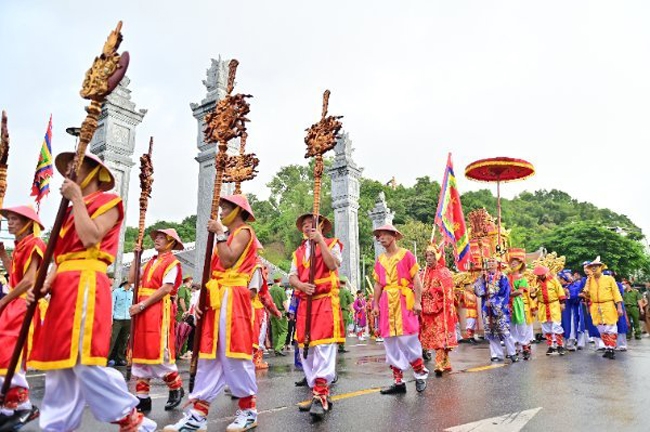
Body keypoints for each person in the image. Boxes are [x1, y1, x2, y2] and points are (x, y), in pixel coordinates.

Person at [28, 152, 156, 431]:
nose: (71, 170)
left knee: (83, 359)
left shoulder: (109, 202)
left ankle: (131, 419)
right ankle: (56, 426)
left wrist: (75, 198)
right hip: (63, 285)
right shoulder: (68, 211)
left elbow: (90, 237)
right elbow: (59, 256)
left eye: (78, 165)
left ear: (95, 173)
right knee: (59, 363)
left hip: (86, 282)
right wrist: (44, 284)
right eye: (70, 166)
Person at [165, 194, 259, 432]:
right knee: (208, 355)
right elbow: (214, 272)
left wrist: (219, 232)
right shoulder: (225, 236)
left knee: (234, 355)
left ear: (238, 211)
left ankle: (248, 411)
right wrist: (201, 300)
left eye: (225, 208)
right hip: (216, 297)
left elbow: (227, 261)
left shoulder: (244, 232)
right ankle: (198, 415)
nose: (221, 212)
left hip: (234, 298)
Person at [289, 213, 344, 419]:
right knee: (307, 350)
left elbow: (332, 265)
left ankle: (320, 395)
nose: (307, 228)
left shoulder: (332, 243)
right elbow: (292, 276)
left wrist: (320, 241)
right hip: (305, 302)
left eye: (311, 224)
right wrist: (301, 285)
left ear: (321, 226)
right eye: (304, 225)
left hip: (325, 301)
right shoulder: (298, 252)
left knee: (323, 347)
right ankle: (317, 392)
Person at [128, 228, 184, 413]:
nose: (157, 240)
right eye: (157, 237)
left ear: (171, 243)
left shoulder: (173, 263)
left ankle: (176, 388)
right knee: (141, 350)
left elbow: (166, 289)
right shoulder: (151, 261)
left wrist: (142, 305)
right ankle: (143, 398)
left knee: (158, 350)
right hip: (143, 310)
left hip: (158, 309)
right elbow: (132, 279)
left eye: (161, 238)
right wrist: (137, 256)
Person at [0, 205, 46, 430]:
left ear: (28, 223)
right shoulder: (21, 246)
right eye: (8, 219)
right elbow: (15, 275)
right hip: (13, 304)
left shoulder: (35, 243)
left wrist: (3, 301)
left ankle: (23, 405)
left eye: (14, 219)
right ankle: (11, 408)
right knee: (4, 353)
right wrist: (3, 255)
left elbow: (28, 281)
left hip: (21, 305)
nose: (9, 223)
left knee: (10, 353)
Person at [372, 224, 428, 394]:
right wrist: (375, 304)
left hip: (404, 300)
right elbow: (378, 284)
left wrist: (417, 301)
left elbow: (416, 280)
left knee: (408, 339)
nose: (381, 238)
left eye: (384, 235)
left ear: (393, 235)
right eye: (379, 236)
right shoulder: (380, 260)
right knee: (390, 342)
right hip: (386, 302)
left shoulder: (406, 255)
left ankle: (419, 374)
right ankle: (398, 381)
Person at [419, 243, 457, 375]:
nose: (429, 258)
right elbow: (418, 289)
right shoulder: (423, 274)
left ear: (437, 257)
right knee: (432, 337)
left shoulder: (444, 272)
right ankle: (445, 362)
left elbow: (448, 291)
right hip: (427, 310)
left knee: (441, 337)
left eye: (431, 255)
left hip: (441, 310)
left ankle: (439, 363)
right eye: (427, 255)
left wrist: (430, 291)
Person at [474, 257, 518, 363]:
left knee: (504, 331)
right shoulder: (483, 277)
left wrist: (493, 302)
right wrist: (481, 284)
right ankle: (496, 354)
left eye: (492, 261)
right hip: (486, 307)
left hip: (499, 308)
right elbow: (477, 290)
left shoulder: (503, 277)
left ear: (497, 264)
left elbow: (505, 293)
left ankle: (512, 353)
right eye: (488, 261)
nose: (490, 263)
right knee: (490, 331)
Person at [581, 257, 624, 359]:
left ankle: (611, 348)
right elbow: (587, 296)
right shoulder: (589, 281)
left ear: (601, 267)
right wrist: (585, 295)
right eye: (592, 267)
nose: (594, 269)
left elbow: (616, 293)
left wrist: (619, 307)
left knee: (611, 328)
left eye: (596, 266)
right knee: (601, 329)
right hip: (595, 307)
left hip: (608, 305)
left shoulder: (609, 279)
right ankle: (607, 347)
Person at [530, 265, 566, 356]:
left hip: (553, 304)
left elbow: (560, 291)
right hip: (542, 306)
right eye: (538, 275)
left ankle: (560, 345)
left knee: (556, 326)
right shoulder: (535, 282)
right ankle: (551, 346)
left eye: (542, 274)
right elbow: (532, 296)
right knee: (546, 328)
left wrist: (562, 303)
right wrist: (533, 292)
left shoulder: (553, 279)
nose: (540, 276)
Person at [507, 249, 535, 360]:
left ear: (520, 264)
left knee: (522, 325)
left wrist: (508, 294)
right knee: (511, 327)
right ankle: (514, 349)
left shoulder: (522, 278)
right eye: (512, 262)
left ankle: (525, 347)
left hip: (518, 304)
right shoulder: (506, 277)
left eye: (515, 262)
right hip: (508, 304)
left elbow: (520, 292)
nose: (513, 264)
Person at [109, 280, 133, 366]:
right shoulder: (116, 292)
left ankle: (119, 359)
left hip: (128, 319)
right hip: (117, 319)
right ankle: (106, 358)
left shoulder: (132, 293)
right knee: (112, 339)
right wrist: (111, 319)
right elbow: (112, 305)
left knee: (123, 340)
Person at [561, 270, 586, 351]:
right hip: (556, 310)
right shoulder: (557, 286)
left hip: (569, 310)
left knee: (570, 326)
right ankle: (559, 344)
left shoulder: (572, 286)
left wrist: (575, 294)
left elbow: (574, 295)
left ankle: (570, 343)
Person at [269, 274, 288, 356]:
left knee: (275, 331)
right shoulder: (281, 290)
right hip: (280, 312)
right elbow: (284, 303)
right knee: (284, 331)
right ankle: (279, 347)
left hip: (272, 312)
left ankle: (275, 348)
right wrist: (288, 312)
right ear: (280, 280)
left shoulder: (270, 290)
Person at [338, 276, 355, 353]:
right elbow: (351, 304)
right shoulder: (346, 291)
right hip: (343, 312)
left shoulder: (335, 290)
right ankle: (341, 347)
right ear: (345, 283)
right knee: (343, 329)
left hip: (335, 312)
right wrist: (353, 313)